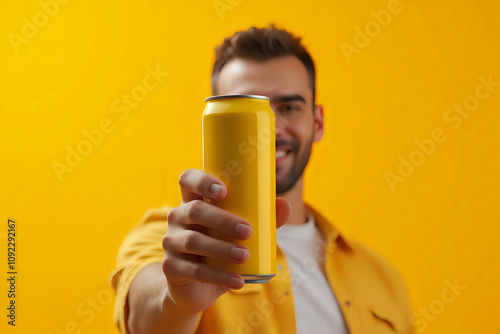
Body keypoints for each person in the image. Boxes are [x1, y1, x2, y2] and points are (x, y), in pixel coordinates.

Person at [110, 25, 414, 334]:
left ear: (318, 122)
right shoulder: (170, 242)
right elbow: (144, 317)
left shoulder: (383, 276)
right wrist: (177, 300)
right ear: (215, 128)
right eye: (251, 111)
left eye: (288, 108)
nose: (269, 129)